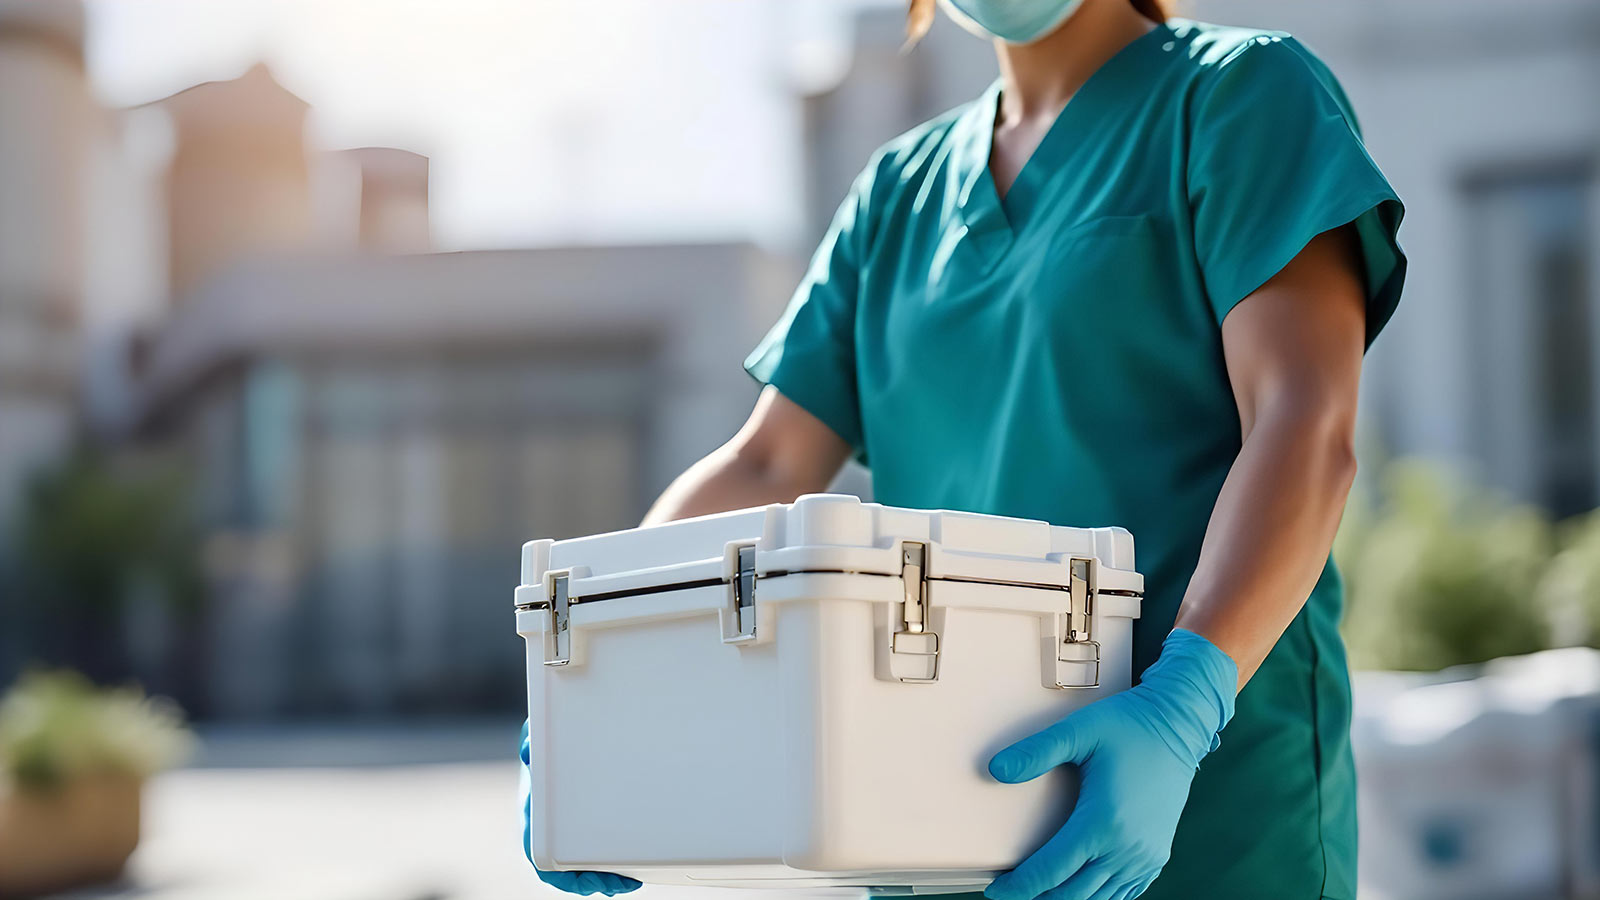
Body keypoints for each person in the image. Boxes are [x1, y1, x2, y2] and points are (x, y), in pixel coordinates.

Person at [520, 0, 1406, 897]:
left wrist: (1183, 705)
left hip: (1209, 817)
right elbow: (766, 465)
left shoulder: (1238, 95)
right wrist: (604, 683)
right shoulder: (898, 196)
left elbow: (1304, 422)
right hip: (934, 818)